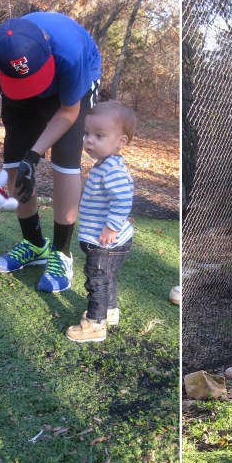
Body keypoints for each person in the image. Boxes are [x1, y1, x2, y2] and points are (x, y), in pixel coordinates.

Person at [0, 12, 102, 293]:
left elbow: (68, 111)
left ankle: (62, 253)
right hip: (18, 91)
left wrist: (36, 154)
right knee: (14, 162)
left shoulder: (69, 51)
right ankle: (34, 245)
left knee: (65, 163)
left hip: (71, 87)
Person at [65, 100, 136, 343]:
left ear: (121, 142)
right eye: (87, 134)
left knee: (97, 279)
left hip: (106, 240)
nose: (89, 140)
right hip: (107, 239)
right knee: (107, 276)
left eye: (99, 135)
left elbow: (123, 199)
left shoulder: (111, 169)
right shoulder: (107, 164)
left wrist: (111, 227)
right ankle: (110, 311)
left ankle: (95, 324)